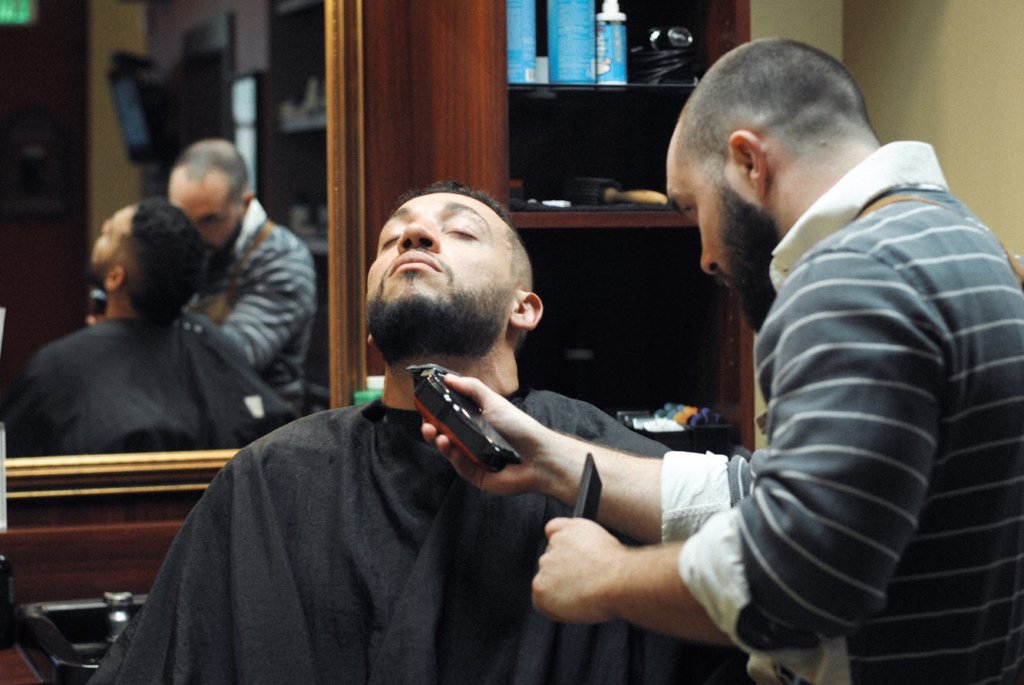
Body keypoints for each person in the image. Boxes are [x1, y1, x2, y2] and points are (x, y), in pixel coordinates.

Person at [422, 40, 1024, 684]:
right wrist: (552, 459)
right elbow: (782, 498)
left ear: (747, 161)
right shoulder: (964, 246)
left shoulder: (849, 279)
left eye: (691, 207)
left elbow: (799, 581)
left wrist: (608, 578)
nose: (705, 255)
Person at [92, 182, 739, 684]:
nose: (416, 237)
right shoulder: (269, 480)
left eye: (459, 232)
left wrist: (619, 573)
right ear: (372, 323)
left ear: (524, 306)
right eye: (392, 239)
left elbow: (782, 563)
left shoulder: (609, 467)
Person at [0, 198, 297, 457]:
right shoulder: (218, 346)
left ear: (115, 278)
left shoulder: (55, 368)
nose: (103, 228)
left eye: (110, 233)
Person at [168, 138, 316, 410]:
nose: (193, 235)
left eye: (209, 220)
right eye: (182, 220)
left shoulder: (281, 257)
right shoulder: (190, 246)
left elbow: (233, 357)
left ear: (245, 204)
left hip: (264, 428)